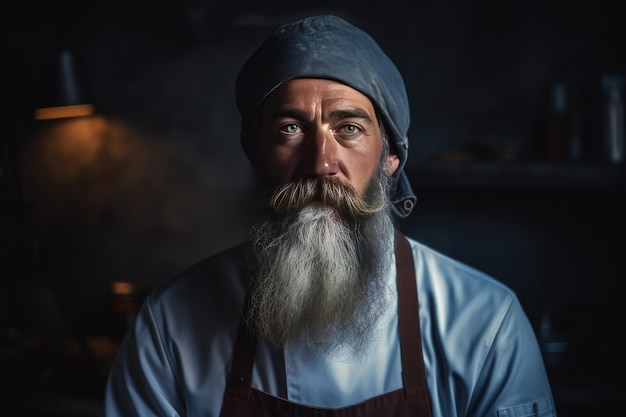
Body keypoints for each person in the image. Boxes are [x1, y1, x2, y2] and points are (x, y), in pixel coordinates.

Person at [102, 14, 557, 417]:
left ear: (390, 158)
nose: (320, 162)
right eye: (290, 128)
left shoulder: (486, 325)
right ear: (257, 153)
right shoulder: (169, 327)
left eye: (349, 128)